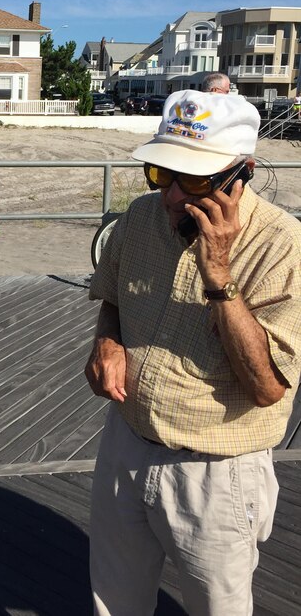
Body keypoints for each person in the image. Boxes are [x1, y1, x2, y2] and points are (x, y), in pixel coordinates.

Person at [85, 90, 301, 616]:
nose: (171, 197)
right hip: (126, 446)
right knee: (112, 604)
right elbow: (111, 297)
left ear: (241, 173)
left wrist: (220, 277)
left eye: (195, 181)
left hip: (217, 471)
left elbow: (268, 387)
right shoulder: (138, 218)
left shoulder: (284, 245)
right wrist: (108, 340)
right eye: (161, 173)